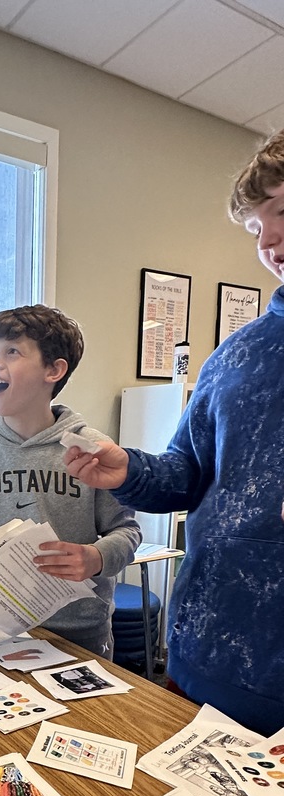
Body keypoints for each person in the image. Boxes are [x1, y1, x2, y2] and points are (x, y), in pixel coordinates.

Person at [64, 131, 284, 737]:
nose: (269, 243)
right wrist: (129, 470)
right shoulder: (236, 358)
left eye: (282, 214)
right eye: (255, 229)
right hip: (210, 658)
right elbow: (187, 473)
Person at [0, 305, 141, 656]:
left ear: (54, 370)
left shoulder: (93, 449)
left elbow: (128, 532)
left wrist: (96, 557)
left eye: (12, 351)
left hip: (80, 635)